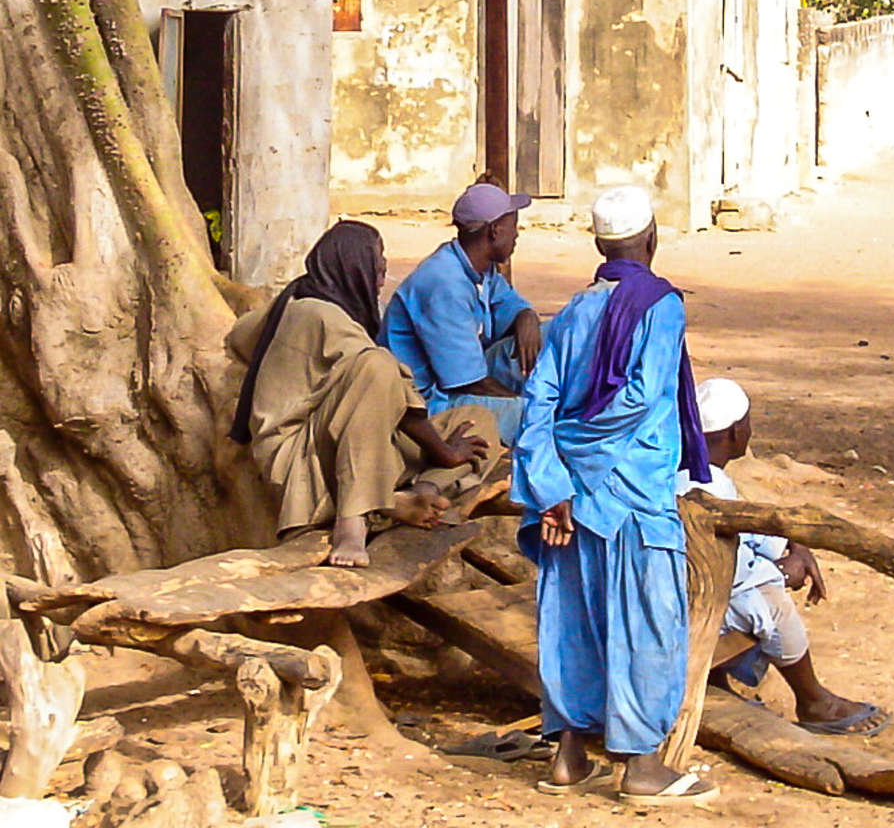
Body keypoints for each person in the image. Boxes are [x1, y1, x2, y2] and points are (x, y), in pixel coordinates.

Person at [512, 185, 719, 807]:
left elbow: (538, 401)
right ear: (652, 239)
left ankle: (570, 757)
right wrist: (581, 470)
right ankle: (643, 765)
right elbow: (639, 400)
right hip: (630, 493)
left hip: (569, 501)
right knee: (646, 621)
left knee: (570, 616)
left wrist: (554, 484)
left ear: (601, 244)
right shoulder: (660, 307)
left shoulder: (575, 310)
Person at [226, 221, 497, 568]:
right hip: (302, 461)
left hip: (353, 440)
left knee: (478, 421)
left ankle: (419, 494)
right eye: (376, 271)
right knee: (379, 366)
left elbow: (240, 334)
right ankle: (353, 522)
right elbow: (403, 402)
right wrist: (445, 453)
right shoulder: (319, 313)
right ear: (351, 268)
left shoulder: (297, 297)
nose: (381, 282)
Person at [677, 378, 892, 736]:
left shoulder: (692, 471)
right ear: (734, 432)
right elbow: (735, 570)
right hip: (694, 599)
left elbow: (748, 533)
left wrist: (794, 548)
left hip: (684, 591)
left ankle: (719, 681)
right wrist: (781, 570)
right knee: (768, 601)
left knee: (757, 586)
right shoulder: (708, 486)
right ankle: (813, 701)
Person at [381, 182, 542, 446]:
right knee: (538, 417)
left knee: (551, 335)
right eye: (514, 226)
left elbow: (510, 304)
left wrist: (527, 316)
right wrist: (523, 400)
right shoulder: (444, 283)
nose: (517, 235)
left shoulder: (479, 268)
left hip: (470, 372)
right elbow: (468, 382)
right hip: (430, 403)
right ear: (494, 230)